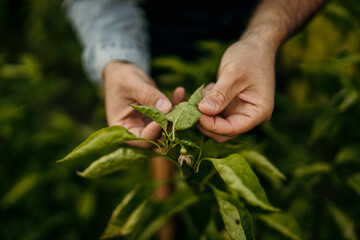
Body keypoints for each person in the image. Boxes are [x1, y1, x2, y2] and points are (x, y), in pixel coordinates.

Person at [65, 0, 326, 146]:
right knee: (160, 144)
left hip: (259, 19)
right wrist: (118, 62)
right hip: (160, 28)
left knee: (260, 132)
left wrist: (264, 38)